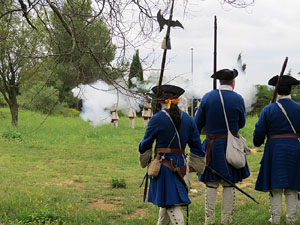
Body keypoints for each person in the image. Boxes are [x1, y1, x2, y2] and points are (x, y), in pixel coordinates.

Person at [139, 84, 206, 225]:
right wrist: (196, 165)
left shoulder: (157, 119)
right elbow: (197, 147)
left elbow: (146, 143)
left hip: (164, 166)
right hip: (181, 165)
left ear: (161, 101)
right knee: (168, 202)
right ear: (177, 100)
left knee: (171, 205)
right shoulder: (188, 119)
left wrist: (144, 155)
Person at [194, 69, 250, 225]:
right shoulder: (238, 98)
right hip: (232, 146)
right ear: (233, 82)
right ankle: (226, 220)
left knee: (211, 184)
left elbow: (197, 124)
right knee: (229, 184)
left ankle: (209, 220)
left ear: (219, 82)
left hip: (212, 145)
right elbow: (242, 123)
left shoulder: (208, 97)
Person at [253, 75, 300, 225]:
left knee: (276, 186)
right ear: (290, 90)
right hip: (295, 149)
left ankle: (275, 219)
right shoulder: (299, 108)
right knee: (293, 186)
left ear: (276, 90)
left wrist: (258, 142)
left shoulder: (269, 109)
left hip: (275, 150)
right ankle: (291, 219)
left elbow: (258, 135)